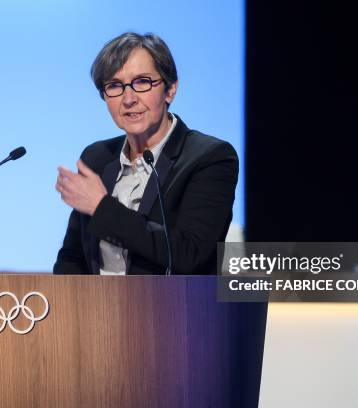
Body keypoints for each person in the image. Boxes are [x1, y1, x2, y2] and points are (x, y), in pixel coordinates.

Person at [53, 32, 238, 275]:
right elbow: (73, 258)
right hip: (95, 310)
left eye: (142, 82)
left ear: (170, 89)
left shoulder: (210, 157)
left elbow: (188, 253)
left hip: (170, 309)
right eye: (114, 86)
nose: (128, 99)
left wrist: (102, 208)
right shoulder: (97, 157)